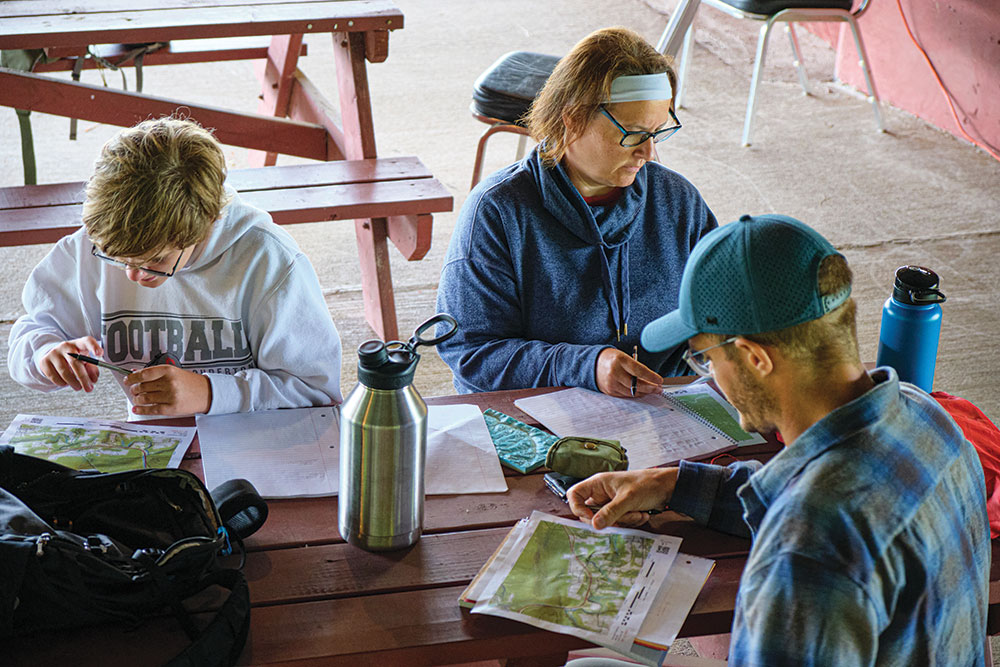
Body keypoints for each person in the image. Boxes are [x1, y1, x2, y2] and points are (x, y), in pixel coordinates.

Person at [567, 214, 990, 665]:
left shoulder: (803, 552)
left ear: (753, 356)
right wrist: (673, 485)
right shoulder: (924, 413)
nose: (711, 375)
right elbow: (819, 489)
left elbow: (818, 520)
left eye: (706, 359)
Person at [436, 27, 717, 397]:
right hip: (541, 410)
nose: (648, 154)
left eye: (657, 132)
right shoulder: (498, 212)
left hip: (664, 401)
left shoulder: (676, 199)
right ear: (572, 118)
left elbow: (720, 306)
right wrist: (586, 366)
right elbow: (471, 352)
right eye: (632, 134)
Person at [8, 116, 343, 418]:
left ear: (207, 224)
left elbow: (317, 391)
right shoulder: (89, 249)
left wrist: (211, 393)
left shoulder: (268, 261)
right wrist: (45, 355)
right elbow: (31, 332)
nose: (133, 276)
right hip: (156, 447)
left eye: (156, 262)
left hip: (256, 443)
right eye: (117, 258)